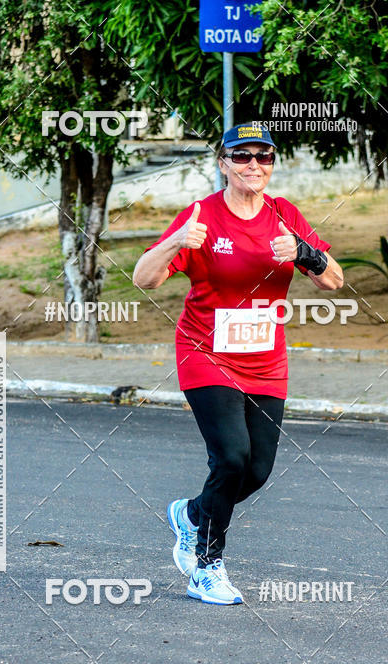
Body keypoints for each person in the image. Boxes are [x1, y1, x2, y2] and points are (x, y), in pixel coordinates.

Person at [132, 123, 343, 606]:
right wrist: (176, 241)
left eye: (263, 157)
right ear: (223, 163)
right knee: (229, 458)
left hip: (266, 361)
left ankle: (190, 513)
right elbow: (145, 279)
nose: (253, 165)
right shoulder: (201, 215)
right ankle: (206, 566)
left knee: (257, 470)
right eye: (241, 156)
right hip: (205, 354)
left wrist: (306, 254)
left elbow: (334, 281)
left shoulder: (284, 214)